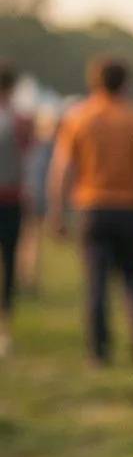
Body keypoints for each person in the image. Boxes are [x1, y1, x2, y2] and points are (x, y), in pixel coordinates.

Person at [48, 58, 133, 365]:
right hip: (130, 207)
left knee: (95, 282)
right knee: (132, 278)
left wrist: (57, 212)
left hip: (92, 207)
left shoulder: (78, 117)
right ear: (125, 83)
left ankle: (98, 350)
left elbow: (63, 169)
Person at [0, 63, 33, 356]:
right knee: (9, 264)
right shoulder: (21, 120)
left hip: (10, 196)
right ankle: (4, 329)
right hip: (10, 199)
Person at [18, 107, 59, 295]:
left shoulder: (34, 147)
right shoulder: (47, 149)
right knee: (31, 240)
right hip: (34, 198)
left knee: (29, 240)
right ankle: (27, 279)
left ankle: (27, 278)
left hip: (30, 197)